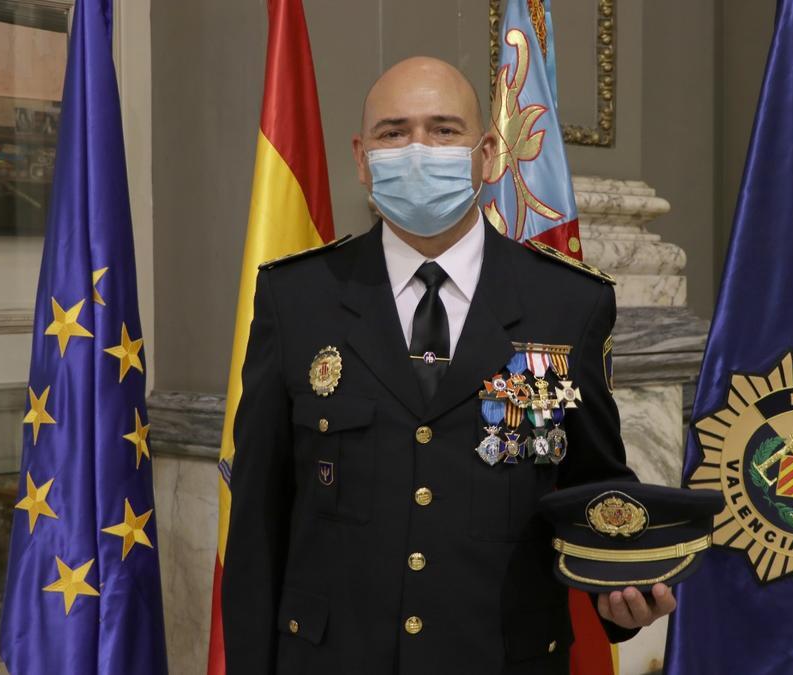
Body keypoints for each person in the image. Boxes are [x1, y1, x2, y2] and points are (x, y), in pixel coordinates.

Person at [222, 56, 675, 675]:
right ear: (361, 158)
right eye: (393, 132)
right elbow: (257, 521)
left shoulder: (567, 303)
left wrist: (623, 588)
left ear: (486, 155)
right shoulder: (298, 298)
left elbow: (593, 482)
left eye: (443, 130)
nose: (418, 150)